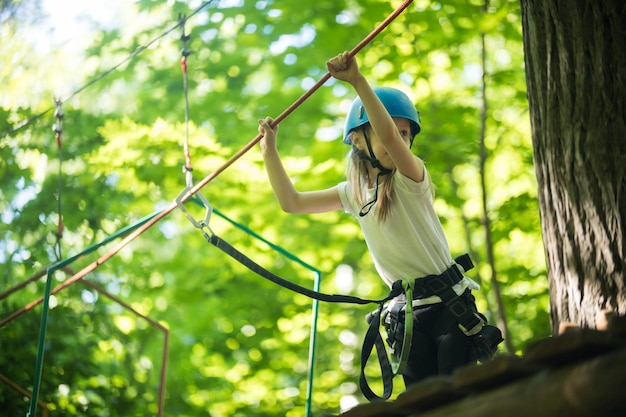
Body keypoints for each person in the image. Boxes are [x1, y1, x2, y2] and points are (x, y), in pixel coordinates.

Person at [258, 51, 500, 389]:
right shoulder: (353, 194)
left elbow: (386, 139)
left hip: (449, 308)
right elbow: (292, 202)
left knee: (460, 396)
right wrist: (270, 152)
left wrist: (358, 81)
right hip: (407, 318)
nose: (400, 140)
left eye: (406, 134)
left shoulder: (411, 178)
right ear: (357, 139)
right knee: (424, 404)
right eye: (394, 131)